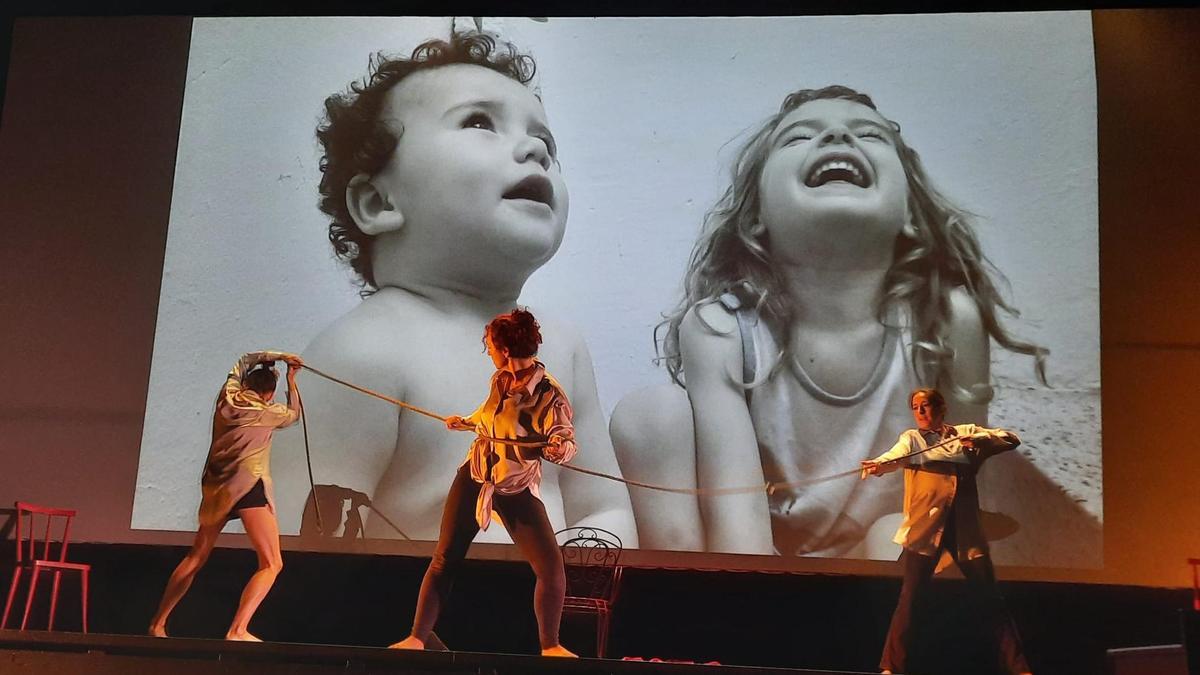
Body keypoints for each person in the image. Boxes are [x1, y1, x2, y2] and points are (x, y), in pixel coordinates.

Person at [610, 85, 1096, 562]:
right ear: (756, 216)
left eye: (870, 135)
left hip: (887, 575)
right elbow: (736, 522)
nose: (839, 139)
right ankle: (697, 620)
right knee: (650, 415)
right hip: (756, 563)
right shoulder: (722, 328)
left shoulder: (945, 321)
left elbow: (960, 500)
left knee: (899, 531)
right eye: (799, 137)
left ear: (909, 213)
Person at [269, 31, 636, 549]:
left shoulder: (564, 345)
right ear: (377, 203)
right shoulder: (361, 352)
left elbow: (604, 502)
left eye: (547, 144)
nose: (536, 150)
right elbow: (307, 545)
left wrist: (581, 565)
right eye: (479, 122)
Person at [390, 309, 577, 657]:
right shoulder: (500, 381)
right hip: (476, 476)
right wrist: (467, 421)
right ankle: (416, 639)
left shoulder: (550, 394)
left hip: (514, 487)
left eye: (490, 347)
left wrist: (556, 448)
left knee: (551, 569)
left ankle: (550, 646)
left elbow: (565, 440)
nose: (488, 353)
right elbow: (489, 414)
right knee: (444, 559)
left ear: (505, 349)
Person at [860, 388, 1032, 675]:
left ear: (942, 408)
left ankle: (1019, 669)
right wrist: (879, 465)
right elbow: (895, 456)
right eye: (915, 407)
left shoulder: (966, 434)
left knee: (991, 600)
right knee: (910, 599)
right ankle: (891, 667)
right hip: (926, 532)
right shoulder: (912, 439)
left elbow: (1010, 439)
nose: (921, 412)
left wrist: (977, 438)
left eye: (926, 406)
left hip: (965, 533)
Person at [148, 350, 303, 640]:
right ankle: (238, 629)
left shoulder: (227, 396)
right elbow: (293, 415)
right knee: (272, 563)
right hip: (247, 487)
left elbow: (243, 360)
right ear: (269, 394)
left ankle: (158, 623)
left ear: (246, 384)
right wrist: (292, 379)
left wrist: (273, 356)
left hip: (217, 488)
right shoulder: (266, 412)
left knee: (196, 556)